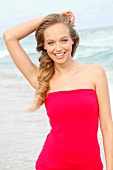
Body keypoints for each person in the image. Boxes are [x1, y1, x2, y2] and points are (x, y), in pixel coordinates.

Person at [3, 10, 113, 170]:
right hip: (52, 164)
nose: (58, 48)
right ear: (44, 46)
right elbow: (9, 36)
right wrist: (50, 18)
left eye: (63, 40)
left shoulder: (95, 73)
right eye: (51, 42)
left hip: (90, 165)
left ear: (73, 41)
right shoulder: (42, 78)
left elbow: (107, 126)